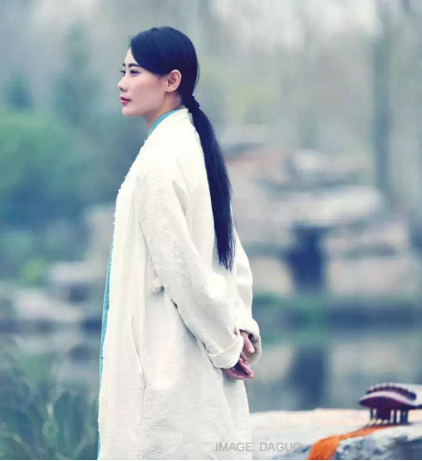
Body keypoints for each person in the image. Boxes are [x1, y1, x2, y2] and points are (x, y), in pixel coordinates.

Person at [97, 26, 262, 460]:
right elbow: (231, 257)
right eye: (122, 71)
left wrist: (227, 344)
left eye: (134, 72)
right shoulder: (190, 145)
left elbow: (183, 270)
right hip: (196, 355)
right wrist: (238, 325)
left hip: (170, 363)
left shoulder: (159, 162)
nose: (122, 83)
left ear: (171, 80)